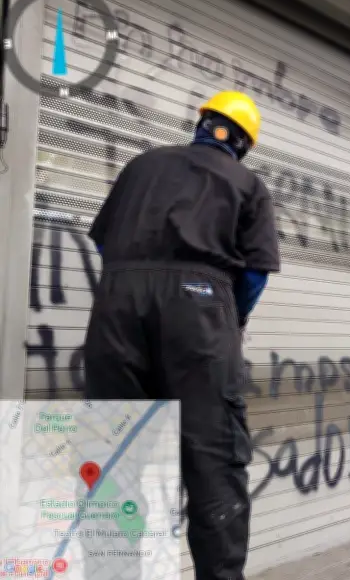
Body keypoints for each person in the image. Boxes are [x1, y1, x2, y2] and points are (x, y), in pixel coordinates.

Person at [83, 90, 281, 580]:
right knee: (214, 460)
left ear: (203, 123)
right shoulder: (247, 184)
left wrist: (130, 291)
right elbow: (255, 274)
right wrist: (227, 317)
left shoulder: (141, 166)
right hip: (199, 307)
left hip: (117, 303)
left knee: (113, 458)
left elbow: (106, 243)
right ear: (244, 142)